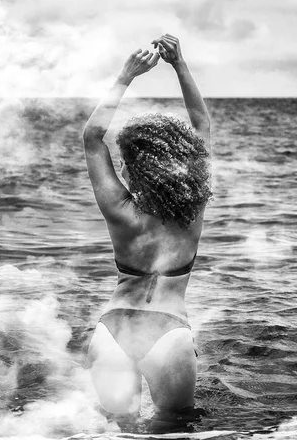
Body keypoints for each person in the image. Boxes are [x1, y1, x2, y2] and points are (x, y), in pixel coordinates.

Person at [83, 34, 212, 425]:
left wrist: (126, 76)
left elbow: (92, 137)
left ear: (134, 169)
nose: (121, 167)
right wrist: (180, 65)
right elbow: (202, 124)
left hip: (113, 330)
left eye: (125, 162)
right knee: (175, 428)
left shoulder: (120, 212)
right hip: (169, 333)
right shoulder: (192, 209)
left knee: (116, 428)